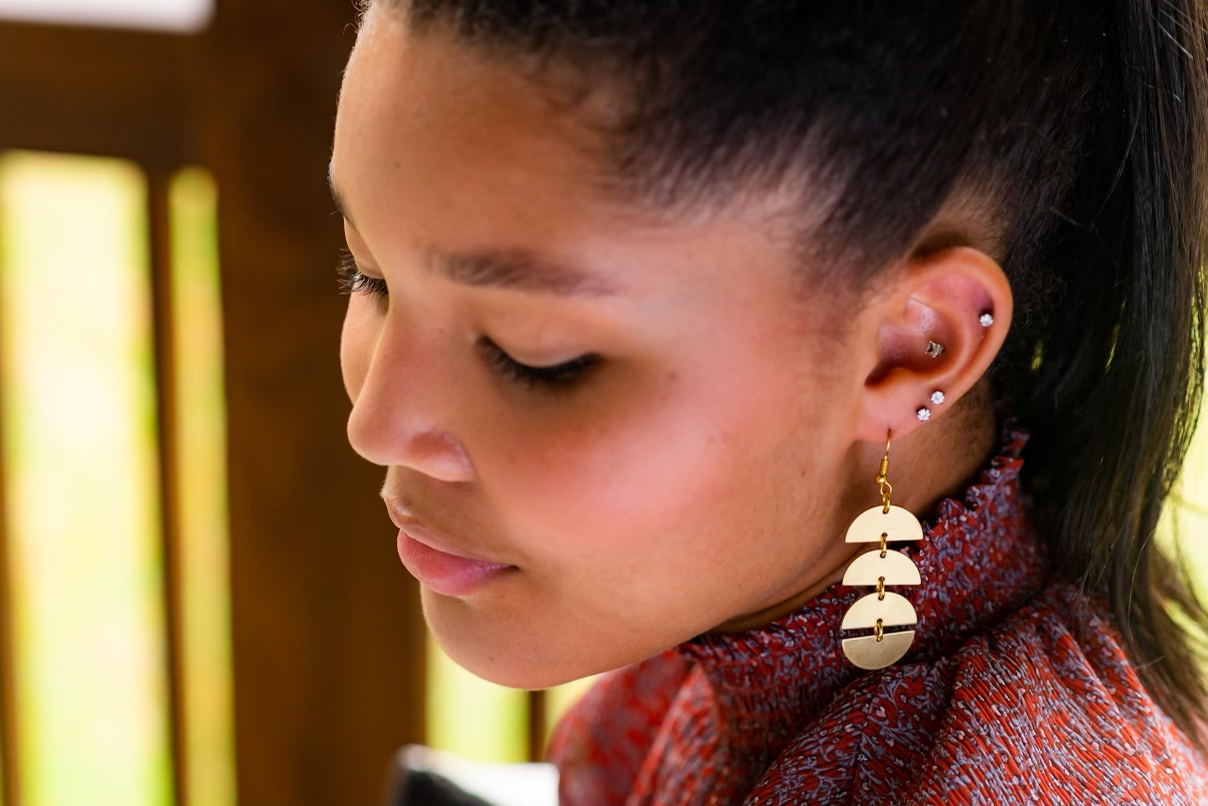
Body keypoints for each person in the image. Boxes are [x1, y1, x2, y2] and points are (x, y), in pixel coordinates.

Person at [329, 0, 1208, 803]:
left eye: (535, 355)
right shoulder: (728, 622)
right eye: (368, 274)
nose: (376, 425)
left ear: (907, 351)